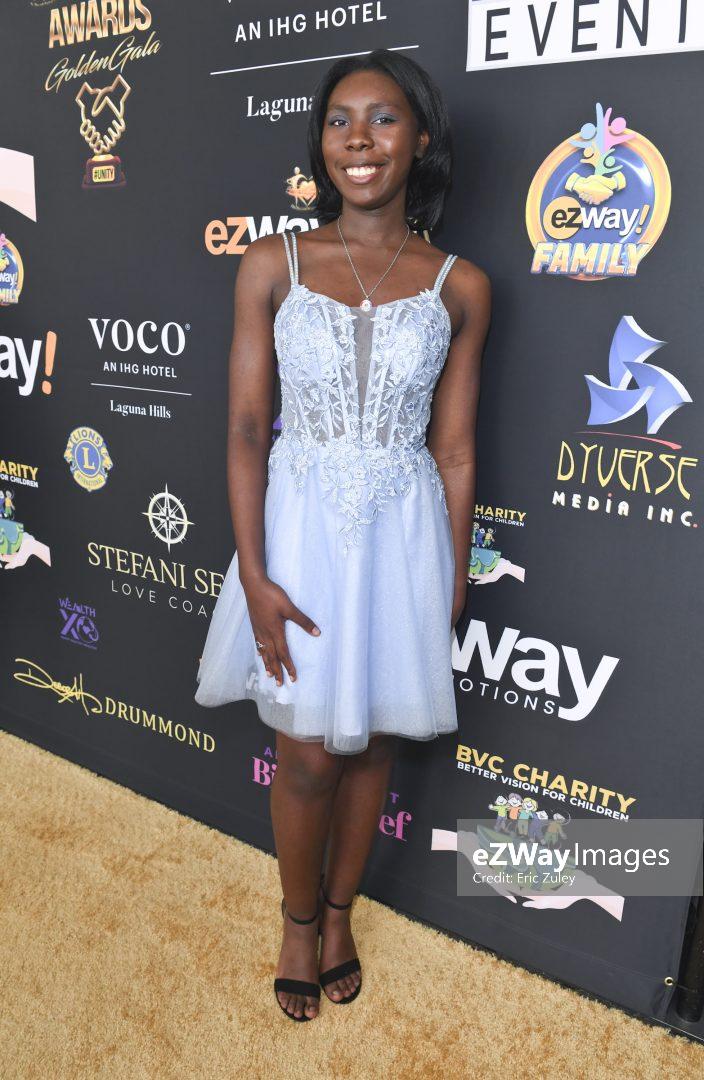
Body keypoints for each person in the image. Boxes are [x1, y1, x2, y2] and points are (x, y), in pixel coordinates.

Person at [195, 48, 491, 1022]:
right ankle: (295, 921)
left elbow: (453, 450)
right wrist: (254, 573)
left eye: (383, 118)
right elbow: (248, 428)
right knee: (310, 754)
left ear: (420, 140)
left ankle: (337, 916)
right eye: (339, 121)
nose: (359, 139)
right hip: (297, 535)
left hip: (403, 536)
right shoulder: (270, 262)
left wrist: (448, 576)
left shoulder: (460, 285)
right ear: (320, 143)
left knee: (370, 751)